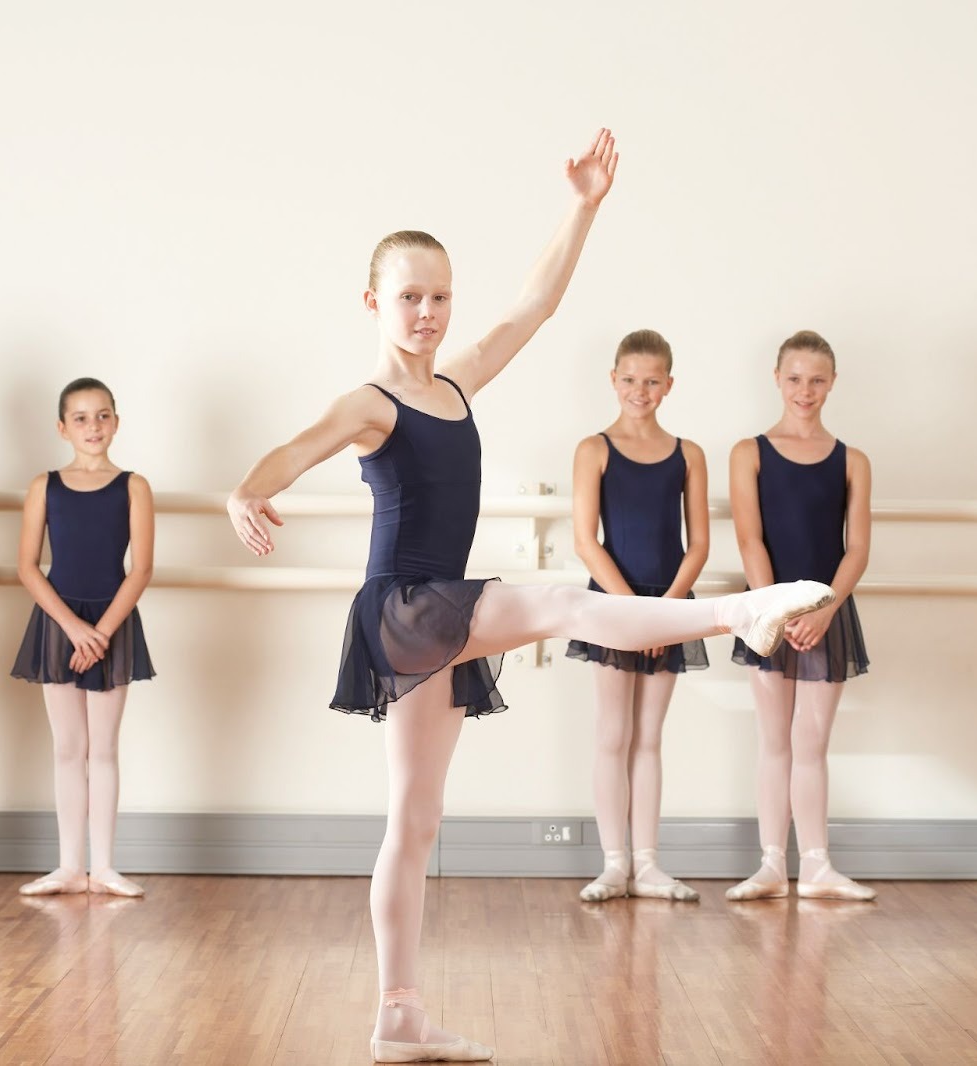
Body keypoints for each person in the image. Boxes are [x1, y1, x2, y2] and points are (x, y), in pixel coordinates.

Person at [227, 130, 833, 1062]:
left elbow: (537, 305)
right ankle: (736, 611)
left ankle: (397, 1016)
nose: (427, 313)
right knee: (564, 600)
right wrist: (244, 490)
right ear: (373, 302)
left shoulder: (458, 384)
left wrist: (584, 205)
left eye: (439, 297)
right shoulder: (371, 401)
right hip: (405, 603)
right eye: (409, 298)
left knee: (415, 819)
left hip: (422, 619)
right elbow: (293, 449)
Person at [727, 330, 875, 902]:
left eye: (816, 380)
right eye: (794, 378)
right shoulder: (749, 452)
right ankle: (770, 864)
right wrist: (775, 610)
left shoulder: (852, 461)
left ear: (832, 383)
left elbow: (856, 548)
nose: (804, 390)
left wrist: (823, 610)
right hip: (768, 610)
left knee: (812, 744)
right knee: (774, 741)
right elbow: (749, 537)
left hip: (827, 616)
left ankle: (816, 864)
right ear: (777, 378)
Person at [567, 329, 709, 904]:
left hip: (670, 603)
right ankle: (613, 864)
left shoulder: (688, 454)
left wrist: (664, 613)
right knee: (612, 734)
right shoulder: (593, 449)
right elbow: (586, 541)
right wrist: (630, 612)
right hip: (612, 603)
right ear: (614, 380)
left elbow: (697, 545)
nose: (640, 390)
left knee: (649, 737)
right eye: (630, 379)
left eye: (652, 381)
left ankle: (648, 864)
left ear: (669, 385)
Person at [11, 377, 156, 898]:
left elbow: (139, 569)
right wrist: (74, 629)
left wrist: (103, 632)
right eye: (81, 418)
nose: (93, 427)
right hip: (59, 624)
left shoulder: (134, 486)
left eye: (102, 416)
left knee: (104, 750)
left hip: (113, 622)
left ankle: (105, 867)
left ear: (116, 421)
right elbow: (28, 567)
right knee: (68, 748)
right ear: (62, 427)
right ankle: (69, 866)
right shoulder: (43, 486)